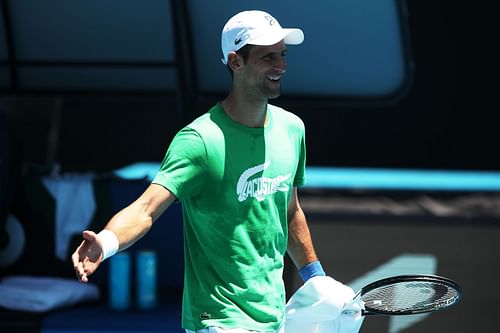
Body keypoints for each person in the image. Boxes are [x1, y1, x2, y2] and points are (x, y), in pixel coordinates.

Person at [72, 10, 357, 333]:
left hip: (272, 318)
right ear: (235, 62)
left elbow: (289, 211)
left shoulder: (293, 129)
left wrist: (315, 278)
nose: (281, 66)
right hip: (219, 321)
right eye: (268, 57)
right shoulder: (199, 141)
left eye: (282, 55)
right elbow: (146, 209)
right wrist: (106, 243)